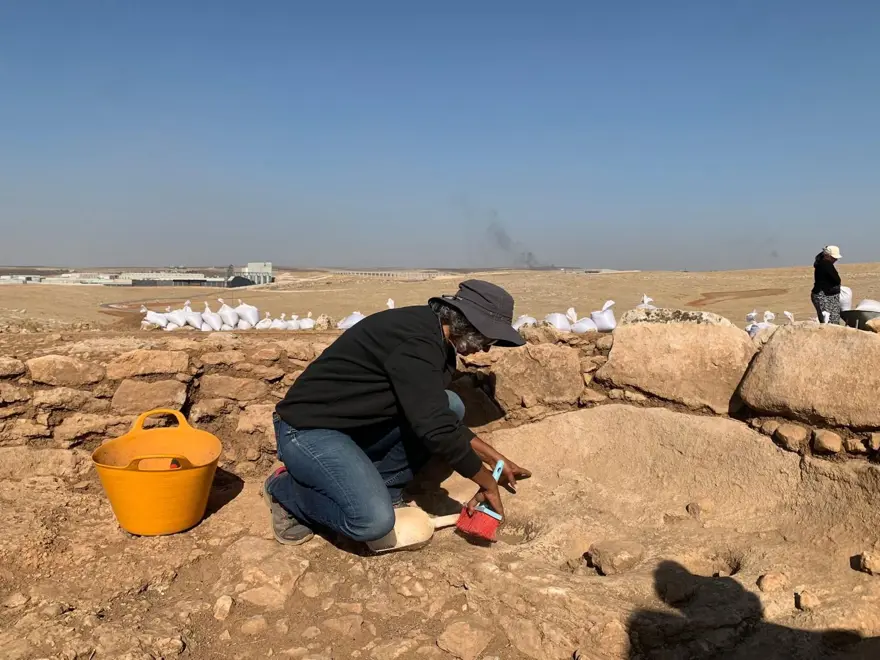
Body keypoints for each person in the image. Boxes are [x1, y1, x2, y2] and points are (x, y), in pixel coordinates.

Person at [263, 280, 532, 545]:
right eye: (487, 337)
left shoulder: (436, 338)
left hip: (354, 428)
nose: (485, 348)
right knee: (372, 522)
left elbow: (434, 412)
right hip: (308, 430)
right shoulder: (416, 342)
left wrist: (494, 458)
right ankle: (285, 490)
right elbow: (434, 426)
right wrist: (486, 482)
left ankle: (385, 486)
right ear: (466, 321)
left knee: (451, 404)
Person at [811, 245, 843, 324]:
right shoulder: (826, 264)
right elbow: (836, 279)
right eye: (833, 257)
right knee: (830, 322)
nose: (836, 259)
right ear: (827, 256)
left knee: (827, 321)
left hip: (824, 295)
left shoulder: (821, 263)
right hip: (824, 296)